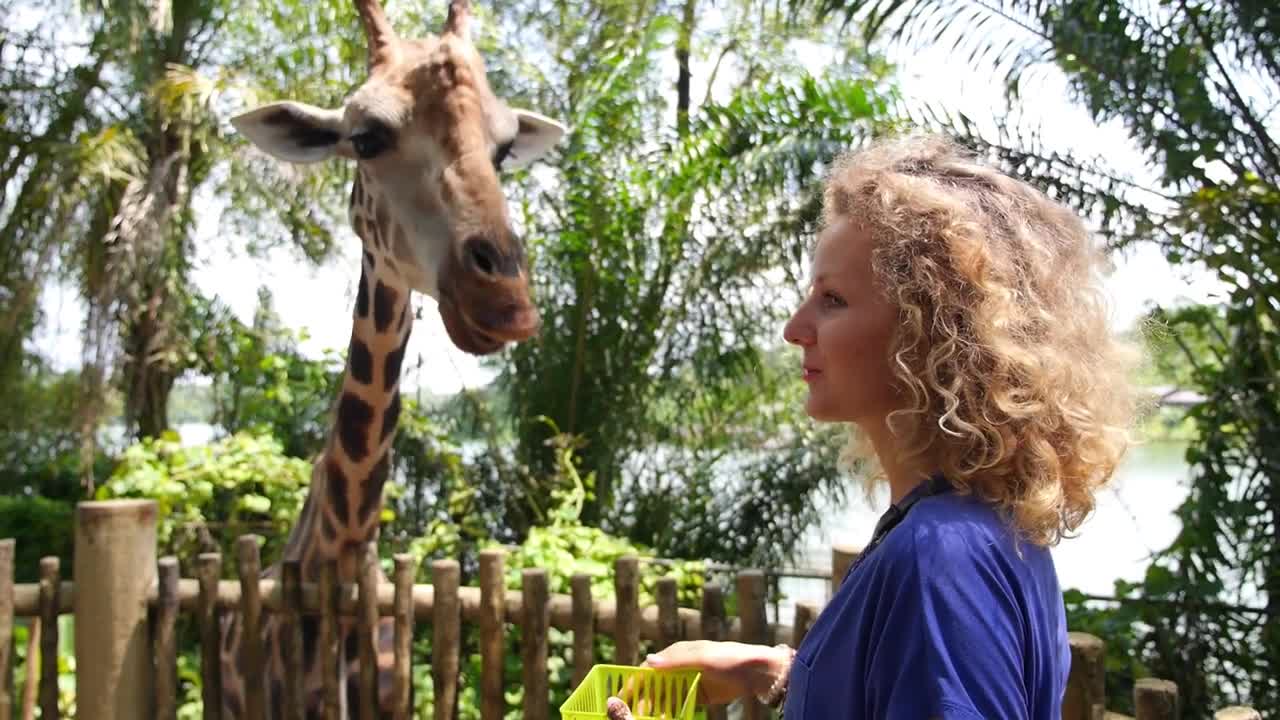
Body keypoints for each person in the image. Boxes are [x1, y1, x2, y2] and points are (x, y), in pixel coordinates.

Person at [643, 134, 1140, 719]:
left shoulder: (939, 558)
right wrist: (781, 671)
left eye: (832, 300)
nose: (794, 328)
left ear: (931, 332)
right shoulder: (979, 525)